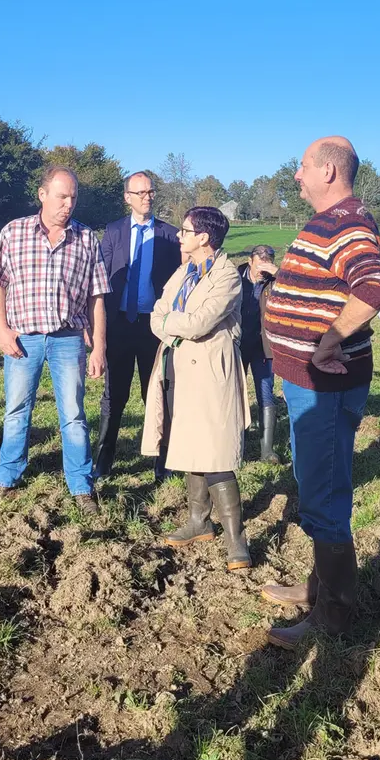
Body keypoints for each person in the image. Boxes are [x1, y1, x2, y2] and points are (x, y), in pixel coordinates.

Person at [260, 136, 380, 649]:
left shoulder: (348, 222)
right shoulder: (331, 221)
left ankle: (333, 615)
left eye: (302, 167)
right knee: (314, 481)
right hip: (305, 381)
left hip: (326, 385)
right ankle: (319, 586)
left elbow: (376, 285)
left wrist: (329, 340)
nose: (296, 175)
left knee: (326, 491)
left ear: (329, 172)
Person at [0, 166, 110, 514]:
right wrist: (0, 329)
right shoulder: (13, 233)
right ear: (42, 195)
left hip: (68, 340)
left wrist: (98, 345)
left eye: (72, 197)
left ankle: (81, 485)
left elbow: (96, 297)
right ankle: (7, 478)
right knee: (15, 411)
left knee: (73, 414)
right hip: (22, 340)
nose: (68, 204)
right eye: (61, 196)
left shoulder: (86, 239)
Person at [141, 206, 252, 571]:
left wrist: (168, 322)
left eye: (186, 231)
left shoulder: (227, 277)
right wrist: (171, 322)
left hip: (210, 371)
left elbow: (199, 322)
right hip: (178, 368)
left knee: (216, 451)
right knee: (189, 443)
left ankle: (237, 541)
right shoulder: (185, 271)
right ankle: (198, 522)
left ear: (204, 238)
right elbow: (158, 311)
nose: (179, 235)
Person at [94, 172, 181, 480]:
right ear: (127, 197)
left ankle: (163, 460)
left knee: (156, 394)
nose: (147, 196)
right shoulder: (113, 231)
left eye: (151, 191)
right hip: (119, 324)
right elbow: (100, 277)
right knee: (113, 396)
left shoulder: (170, 235)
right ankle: (104, 460)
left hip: (153, 329)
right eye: (140, 192)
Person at [237, 245, 280, 462]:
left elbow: (294, 291)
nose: (262, 267)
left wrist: (278, 274)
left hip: (264, 346)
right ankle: (237, 445)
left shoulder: (275, 282)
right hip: (237, 344)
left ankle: (267, 450)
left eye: (268, 262)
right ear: (250, 260)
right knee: (235, 394)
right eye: (259, 262)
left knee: (266, 392)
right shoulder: (234, 278)